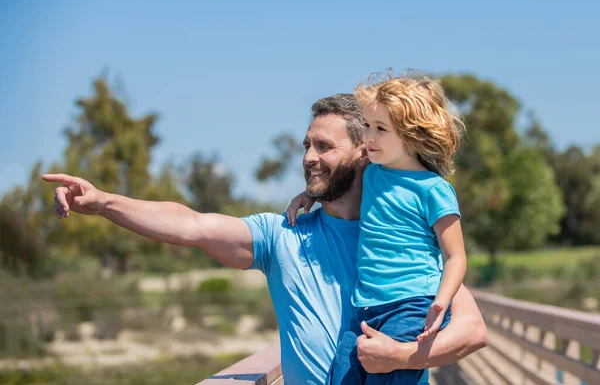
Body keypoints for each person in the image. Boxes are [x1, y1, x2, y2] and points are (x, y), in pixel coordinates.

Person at [43, 93, 487, 385]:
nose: (309, 158)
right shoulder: (283, 233)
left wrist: (400, 356)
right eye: (306, 146)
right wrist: (104, 203)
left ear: (365, 152)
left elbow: (472, 330)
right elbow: (193, 225)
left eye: (324, 148)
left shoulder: (403, 241)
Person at [286, 76, 467, 384]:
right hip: (366, 306)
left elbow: (456, 256)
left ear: (413, 135)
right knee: (342, 375)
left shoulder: (434, 190)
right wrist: (311, 193)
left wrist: (441, 301)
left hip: (412, 304)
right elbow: (336, 178)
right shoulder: (373, 173)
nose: (368, 137)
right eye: (368, 126)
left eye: (380, 129)